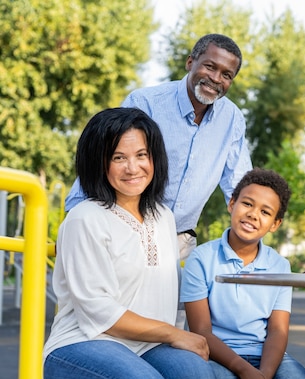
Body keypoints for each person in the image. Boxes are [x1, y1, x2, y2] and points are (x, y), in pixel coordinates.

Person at [43, 107, 217, 379]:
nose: (132, 167)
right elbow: (102, 313)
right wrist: (175, 333)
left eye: (141, 155)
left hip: (146, 347)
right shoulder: (85, 219)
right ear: (99, 162)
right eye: (118, 157)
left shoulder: (163, 218)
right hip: (79, 347)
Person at [65, 33, 252, 260]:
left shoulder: (232, 120)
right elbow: (106, 159)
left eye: (226, 75)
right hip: (124, 230)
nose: (215, 78)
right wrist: (75, 219)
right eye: (210, 67)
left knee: (167, 297)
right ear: (190, 62)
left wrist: (250, 243)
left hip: (179, 240)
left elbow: (239, 185)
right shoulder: (146, 103)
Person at [180, 167, 305, 379]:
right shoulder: (201, 259)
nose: (253, 215)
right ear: (232, 204)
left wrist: (264, 378)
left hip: (265, 356)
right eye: (247, 204)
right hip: (215, 355)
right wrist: (244, 370)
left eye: (265, 212)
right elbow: (201, 332)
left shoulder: (280, 266)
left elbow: (278, 331)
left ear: (275, 224)